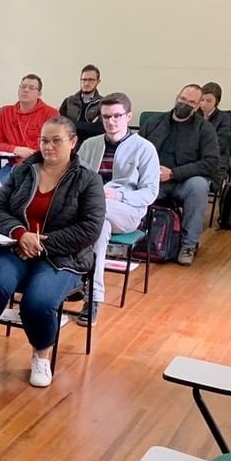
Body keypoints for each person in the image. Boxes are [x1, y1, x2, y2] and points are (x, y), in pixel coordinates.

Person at [0, 117, 105, 388]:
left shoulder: (88, 179)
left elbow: (90, 229)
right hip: (17, 248)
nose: (48, 146)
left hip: (63, 256)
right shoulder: (23, 170)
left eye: (56, 140)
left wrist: (40, 244)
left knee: (38, 302)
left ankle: (41, 356)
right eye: (44, 140)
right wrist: (20, 234)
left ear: (73, 142)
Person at [76, 92, 159, 325]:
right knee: (98, 227)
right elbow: (76, 178)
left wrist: (117, 194)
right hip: (95, 212)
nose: (111, 121)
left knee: (91, 212)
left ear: (128, 116)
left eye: (117, 116)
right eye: (106, 117)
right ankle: (92, 297)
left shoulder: (144, 148)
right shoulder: (90, 145)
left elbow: (150, 193)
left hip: (127, 210)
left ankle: (74, 279)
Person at [139, 84, 220, 266]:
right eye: (183, 99)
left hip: (183, 181)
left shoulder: (205, 129)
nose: (185, 104)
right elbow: (137, 151)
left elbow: (210, 162)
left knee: (199, 186)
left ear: (197, 106)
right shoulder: (154, 123)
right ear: (177, 97)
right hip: (153, 180)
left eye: (191, 102)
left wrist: (173, 174)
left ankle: (188, 245)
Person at [0, 73, 59, 168]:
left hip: (41, 166)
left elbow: (54, 144)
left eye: (31, 88)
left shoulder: (51, 113)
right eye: (23, 87)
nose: (26, 90)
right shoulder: (5, 112)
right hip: (13, 166)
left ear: (39, 94)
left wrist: (31, 154)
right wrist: (15, 149)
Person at [59, 64, 104, 144]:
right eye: (84, 80)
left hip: (92, 144)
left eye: (91, 80)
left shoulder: (103, 104)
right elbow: (60, 125)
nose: (86, 83)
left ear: (98, 82)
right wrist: (88, 126)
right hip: (69, 144)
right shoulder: (68, 101)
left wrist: (72, 123)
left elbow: (100, 129)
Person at [200, 81, 231, 183]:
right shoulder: (193, 115)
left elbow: (220, 144)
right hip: (193, 156)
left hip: (214, 157)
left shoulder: (223, 118)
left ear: (217, 102)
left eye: (209, 101)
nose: (204, 104)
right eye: (202, 100)